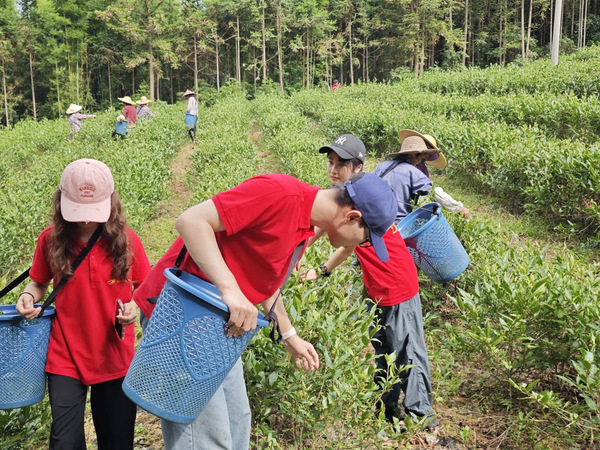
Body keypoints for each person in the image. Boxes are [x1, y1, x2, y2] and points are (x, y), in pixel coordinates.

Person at [133, 170, 397, 450]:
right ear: (352, 217)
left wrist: (288, 334)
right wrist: (229, 289)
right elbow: (191, 221)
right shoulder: (279, 193)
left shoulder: (304, 224)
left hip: (217, 323)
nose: (360, 244)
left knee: (237, 422)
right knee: (204, 436)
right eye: (366, 238)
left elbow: (264, 277)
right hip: (183, 313)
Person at [301, 134, 437, 428]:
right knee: (384, 350)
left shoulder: (363, 196)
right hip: (375, 287)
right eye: (330, 162)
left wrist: (313, 263)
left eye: (342, 164)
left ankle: (422, 417)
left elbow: (333, 237)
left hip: (397, 283)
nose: (334, 169)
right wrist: (316, 265)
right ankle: (386, 408)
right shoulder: (343, 195)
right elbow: (331, 233)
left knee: (408, 351)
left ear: (358, 167)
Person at [16, 158, 151, 450]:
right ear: (61, 201)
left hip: (114, 354)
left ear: (111, 202)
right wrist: (28, 296)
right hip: (65, 353)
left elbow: (144, 288)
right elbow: (38, 282)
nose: (87, 220)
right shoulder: (50, 240)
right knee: (64, 441)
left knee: (117, 441)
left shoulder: (128, 242)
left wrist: (133, 307)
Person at [374, 129, 469, 222]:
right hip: (395, 223)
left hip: (372, 217)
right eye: (421, 156)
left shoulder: (382, 166)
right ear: (413, 155)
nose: (421, 160)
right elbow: (435, 193)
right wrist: (459, 208)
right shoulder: (413, 173)